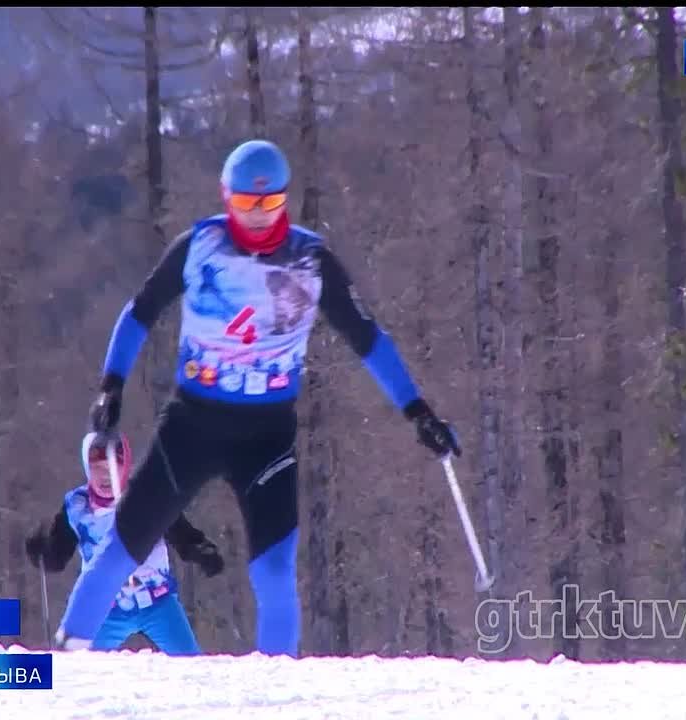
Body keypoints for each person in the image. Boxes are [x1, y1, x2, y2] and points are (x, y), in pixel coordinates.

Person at [57, 139, 460, 656]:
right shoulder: (199, 245)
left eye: (268, 206)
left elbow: (367, 338)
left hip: (265, 438)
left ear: (284, 202)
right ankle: (62, 670)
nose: (256, 218)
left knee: (274, 575)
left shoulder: (311, 261)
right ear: (227, 198)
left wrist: (417, 411)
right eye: (246, 204)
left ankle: (275, 692)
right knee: (120, 552)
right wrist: (111, 384)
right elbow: (140, 313)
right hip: (193, 426)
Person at [24, 431, 225, 655]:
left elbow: (181, 534)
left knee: (191, 662)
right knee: (79, 666)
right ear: (87, 470)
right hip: (106, 608)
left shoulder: (147, 496)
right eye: (97, 469)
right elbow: (57, 557)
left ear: (125, 466)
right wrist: (43, 553)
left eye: (112, 468)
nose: (105, 476)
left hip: (157, 602)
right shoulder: (77, 507)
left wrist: (202, 551)